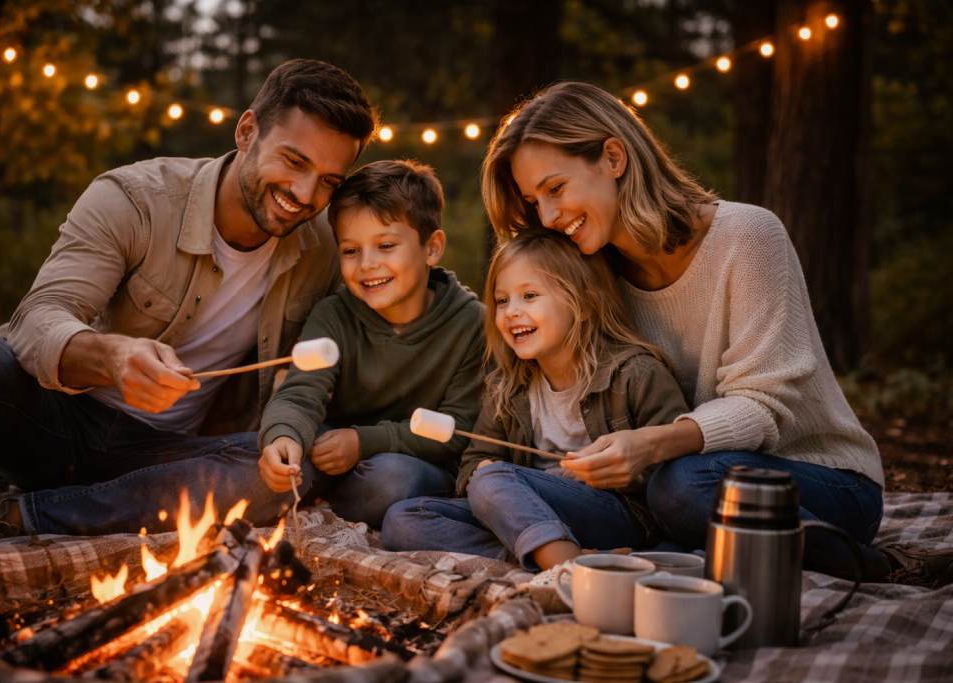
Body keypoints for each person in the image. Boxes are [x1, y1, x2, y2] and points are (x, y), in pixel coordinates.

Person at [0, 59, 378, 543]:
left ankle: (11, 519)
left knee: (292, 466)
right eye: (294, 161)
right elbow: (37, 320)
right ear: (247, 130)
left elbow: (401, 288)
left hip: (166, 460)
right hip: (53, 424)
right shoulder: (136, 198)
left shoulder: (325, 247)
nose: (306, 194)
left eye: (329, 181)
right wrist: (114, 357)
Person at [477, 80, 893, 580]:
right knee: (663, 498)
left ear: (613, 158)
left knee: (680, 486)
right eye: (533, 201)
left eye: (556, 189)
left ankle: (870, 566)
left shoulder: (749, 237)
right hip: (678, 485)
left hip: (819, 480)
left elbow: (762, 407)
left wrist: (653, 444)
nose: (547, 216)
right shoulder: (596, 278)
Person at [382, 229, 689, 570]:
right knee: (403, 519)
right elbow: (476, 460)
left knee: (491, 480)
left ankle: (565, 570)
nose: (511, 311)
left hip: (612, 514)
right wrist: (480, 472)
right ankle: (561, 556)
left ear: (583, 305)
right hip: (526, 513)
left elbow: (675, 477)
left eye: (529, 295)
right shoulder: (508, 387)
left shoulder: (635, 374)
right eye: (502, 301)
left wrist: (623, 472)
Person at [259, 159, 485, 528]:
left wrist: (364, 442)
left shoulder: (472, 324)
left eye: (385, 245)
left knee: (393, 480)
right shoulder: (333, 315)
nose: (367, 264)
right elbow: (300, 394)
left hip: (409, 464)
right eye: (350, 251)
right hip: (329, 451)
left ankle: (321, 502)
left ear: (432, 248)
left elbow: (458, 429)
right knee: (271, 459)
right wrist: (283, 435)